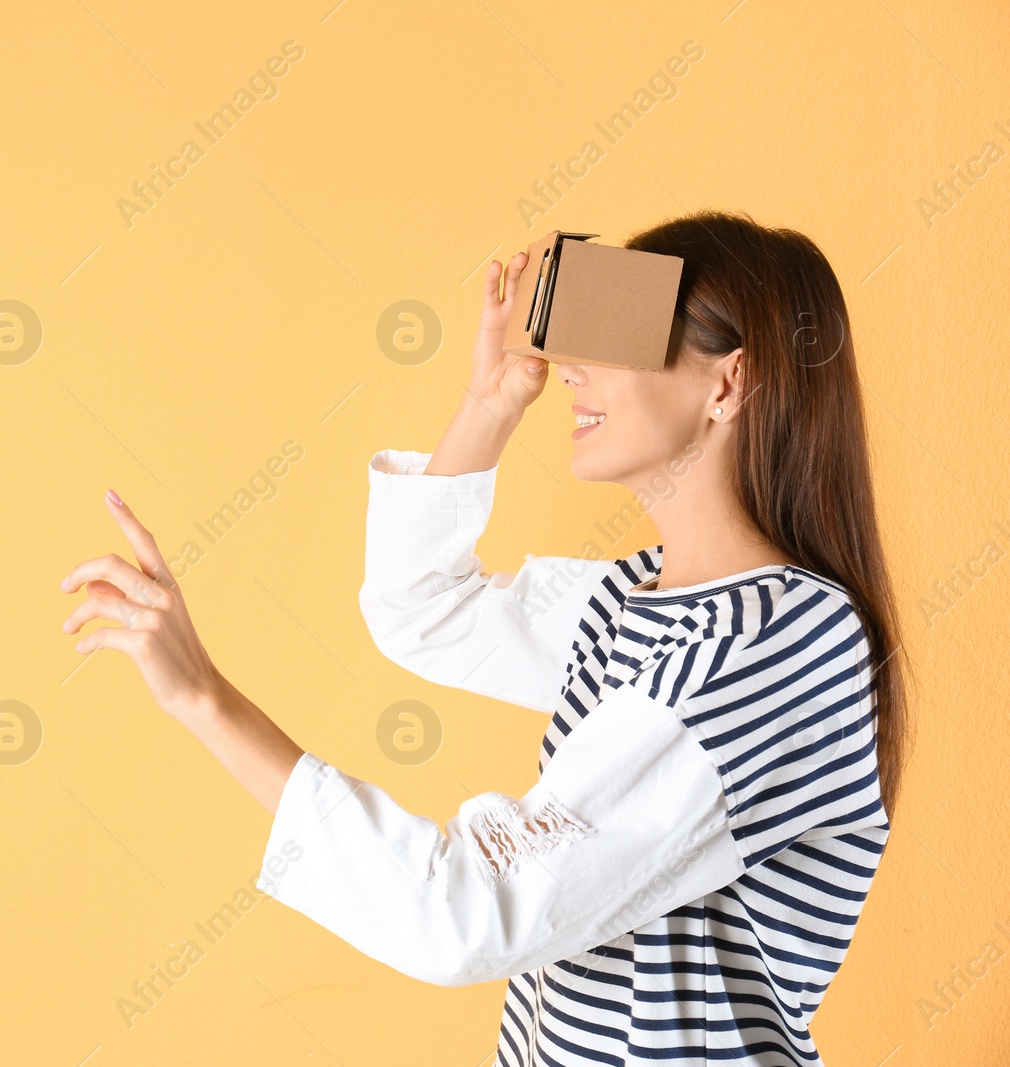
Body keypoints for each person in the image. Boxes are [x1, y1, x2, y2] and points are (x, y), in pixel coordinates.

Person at [58, 209, 911, 1065]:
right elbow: (419, 606)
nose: (572, 367)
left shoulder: (777, 643)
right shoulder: (633, 600)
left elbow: (463, 913)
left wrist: (203, 697)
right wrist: (489, 401)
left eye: (620, 335)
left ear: (727, 384)